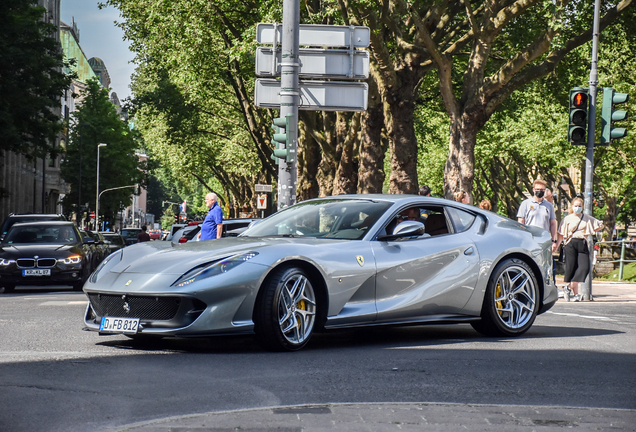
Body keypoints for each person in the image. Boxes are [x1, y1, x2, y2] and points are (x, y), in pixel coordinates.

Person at [554, 197, 604, 302]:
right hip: (570, 243)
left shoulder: (586, 217)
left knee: (584, 268)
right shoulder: (567, 218)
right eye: (575, 206)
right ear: (572, 207)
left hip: (582, 242)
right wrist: (556, 245)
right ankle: (576, 294)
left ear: (582, 207)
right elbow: (561, 234)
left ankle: (567, 288)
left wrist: (596, 228)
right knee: (571, 268)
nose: (577, 208)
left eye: (579, 206)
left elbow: (599, 225)